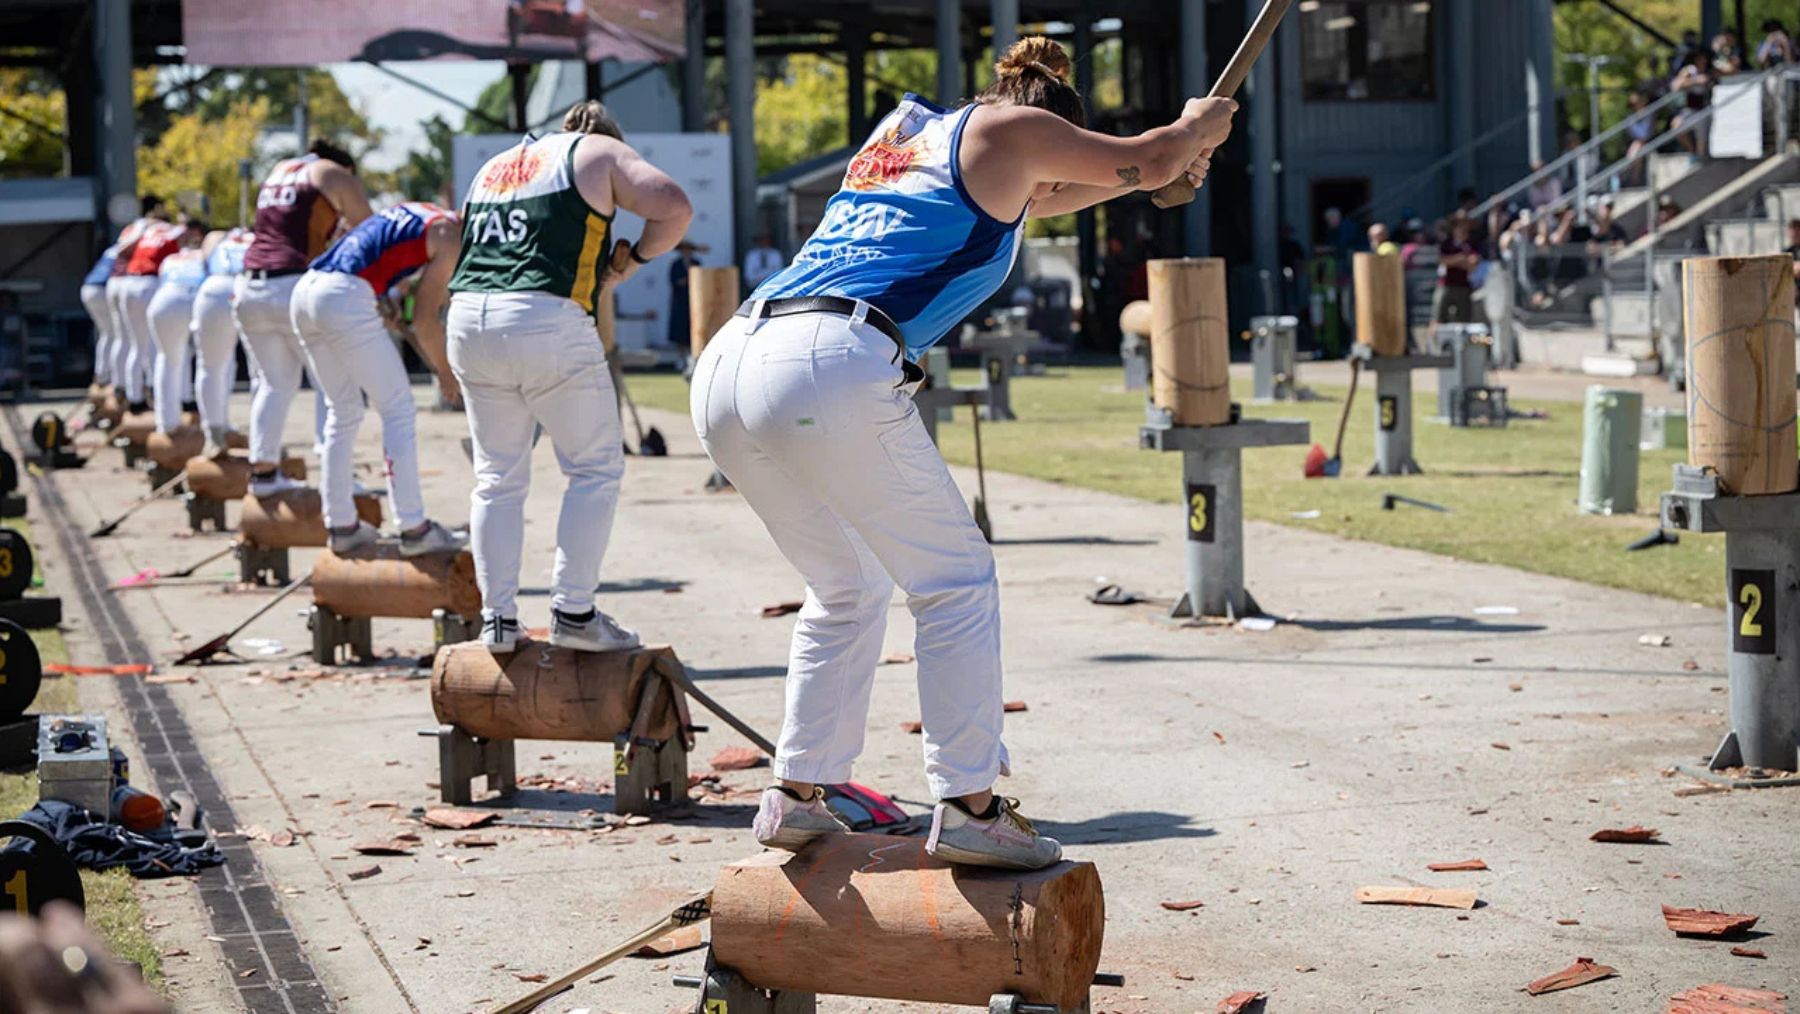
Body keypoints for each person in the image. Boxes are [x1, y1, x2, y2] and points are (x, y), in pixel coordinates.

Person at [693, 36, 1233, 870]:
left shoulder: (920, 142)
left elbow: (1056, 196)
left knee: (847, 585)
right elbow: (1147, 156)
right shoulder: (1009, 129)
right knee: (956, 579)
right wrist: (1191, 133)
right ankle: (971, 804)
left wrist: (1153, 174)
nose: (1054, 184)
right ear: (1051, 127)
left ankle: (798, 792)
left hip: (734, 361)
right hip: (824, 360)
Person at [447, 100, 693, 654]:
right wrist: (633, 263)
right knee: (594, 469)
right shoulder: (600, 151)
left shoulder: (498, 164)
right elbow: (674, 208)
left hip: (468, 318)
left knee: (496, 479)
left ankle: (498, 621)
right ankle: (574, 610)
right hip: (543, 316)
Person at [290, 202, 465, 556]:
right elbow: (426, 320)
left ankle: (341, 525)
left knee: (343, 409)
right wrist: (447, 373)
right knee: (398, 408)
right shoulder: (452, 237)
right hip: (342, 295)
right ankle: (414, 528)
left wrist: (381, 298)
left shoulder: (420, 213)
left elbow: (374, 255)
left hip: (307, 290)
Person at [236, 139, 374, 497]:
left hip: (250, 287)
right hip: (293, 285)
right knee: (335, 383)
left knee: (274, 382)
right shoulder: (332, 173)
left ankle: (263, 475)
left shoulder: (278, 169)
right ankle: (337, 477)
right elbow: (370, 234)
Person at [108, 201, 176, 413]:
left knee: (133, 343)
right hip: (149, 283)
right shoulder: (169, 232)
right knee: (155, 344)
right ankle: (154, 392)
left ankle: (132, 396)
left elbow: (121, 251)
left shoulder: (141, 231)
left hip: (127, 282)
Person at [192, 227, 252, 452]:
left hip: (215, 287)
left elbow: (205, 258)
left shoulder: (216, 237)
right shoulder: (260, 235)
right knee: (263, 372)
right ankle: (264, 441)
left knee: (210, 365)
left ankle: (214, 433)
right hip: (248, 285)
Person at [143, 220, 205, 434]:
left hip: (162, 302)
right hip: (192, 299)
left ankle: (166, 423)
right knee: (212, 362)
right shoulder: (207, 255)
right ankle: (211, 420)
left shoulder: (171, 258)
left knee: (168, 358)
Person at [81, 244, 121, 392]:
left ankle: (101, 374)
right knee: (117, 335)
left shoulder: (112, 248)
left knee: (107, 334)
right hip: (102, 288)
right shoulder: (132, 247)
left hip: (89, 287)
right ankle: (108, 377)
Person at [1433, 216, 1481, 324]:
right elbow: (1443, 261)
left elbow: (1473, 265)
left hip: (1463, 286)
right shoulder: (1446, 243)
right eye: (1459, 226)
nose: (1462, 229)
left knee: (1463, 320)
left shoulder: (1471, 244)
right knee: (1438, 317)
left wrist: (1455, 261)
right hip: (1446, 285)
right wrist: (1460, 258)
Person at [1672, 51, 1716, 155]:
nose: (1702, 61)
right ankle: (1692, 151)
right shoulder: (1690, 71)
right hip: (1689, 109)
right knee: (1676, 127)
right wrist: (1696, 81)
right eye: (1700, 58)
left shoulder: (1710, 71)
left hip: (1704, 109)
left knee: (1702, 141)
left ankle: (1699, 159)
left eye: (1704, 58)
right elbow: (1676, 85)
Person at [666, 239, 703, 351]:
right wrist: (688, 280)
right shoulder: (676, 264)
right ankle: (681, 356)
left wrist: (688, 280)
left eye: (688, 250)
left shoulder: (696, 263)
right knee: (679, 329)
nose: (686, 252)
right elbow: (675, 281)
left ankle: (692, 354)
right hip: (679, 300)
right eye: (684, 250)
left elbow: (699, 279)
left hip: (694, 300)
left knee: (693, 327)